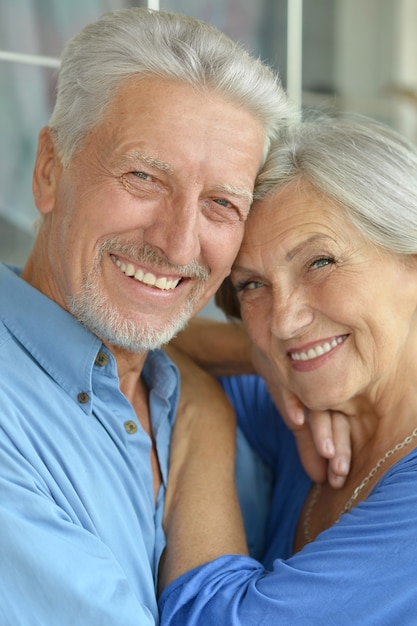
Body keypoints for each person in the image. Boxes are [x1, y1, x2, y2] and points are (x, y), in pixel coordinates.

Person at [0, 7, 290, 625]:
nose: (180, 245)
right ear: (50, 170)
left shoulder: (231, 396)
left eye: (221, 203)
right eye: (143, 177)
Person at [158, 113, 417, 623]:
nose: (285, 320)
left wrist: (203, 412)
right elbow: (135, 334)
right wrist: (257, 357)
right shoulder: (307, 414)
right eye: (252, 285)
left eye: (320, 262)